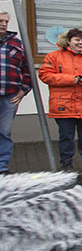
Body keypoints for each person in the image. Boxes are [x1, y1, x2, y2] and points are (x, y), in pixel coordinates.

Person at [38, 28, 82, 174]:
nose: (81, 42)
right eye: (77, 39)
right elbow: (44, 75)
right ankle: (66, 165)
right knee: (66, 137)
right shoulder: (53, 56)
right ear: (68, 41)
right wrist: (71, 79)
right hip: (63, 105)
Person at [0, 11, 32, 174]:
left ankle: (2, 167)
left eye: (6, 21)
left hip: (9, 95)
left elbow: (27, 70)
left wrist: (22, 92)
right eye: (0, 20)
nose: (4, 24)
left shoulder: (17, 44)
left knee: (3, 132)